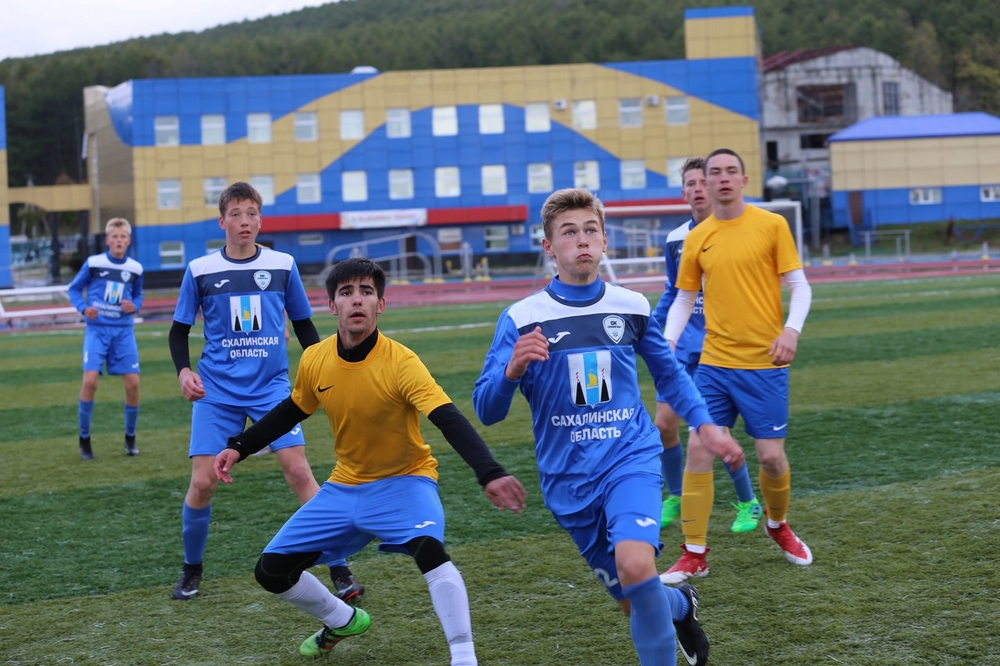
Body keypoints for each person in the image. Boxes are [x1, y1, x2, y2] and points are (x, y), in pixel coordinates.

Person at [472, 187, 744, 666]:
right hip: (568, 482)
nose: (581, 240)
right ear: (549, 247)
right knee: (636, 601)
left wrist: (706, 425)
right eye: (568, 232)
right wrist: (511, 370)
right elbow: (487, 410)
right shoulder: (522, 318)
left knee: (636, 566)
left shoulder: (631, 306)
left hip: (629, 459)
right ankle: (680, 606)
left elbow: (669, 375)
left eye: (590, 230)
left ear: (603, 241)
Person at [214, 257, 527, 663]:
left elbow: (447, 418)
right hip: (344, 488)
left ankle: (464, 656)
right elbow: (293, 409)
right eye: (346, 293)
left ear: (381, 304)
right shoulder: (316, 358)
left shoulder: (402, 362)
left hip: (405, 482)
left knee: (430, 552)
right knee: (270, 570)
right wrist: (240, 445)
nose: (357, 300)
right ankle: (341, 619)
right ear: (332, 306)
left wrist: (490, 471)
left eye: (366, 292)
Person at [168, 181, 362, 603]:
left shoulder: (282, 264)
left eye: (252, 213)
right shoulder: (200, 270)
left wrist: (324, 366)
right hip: (217, 391)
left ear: (260, 220)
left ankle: (340, 567)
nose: (245, 221)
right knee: (202, 482)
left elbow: (303, 324)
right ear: (222, 221)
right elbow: (178, 331)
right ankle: (191, 568)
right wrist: (184, 372)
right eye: (236, 214)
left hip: (271, 388)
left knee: (299, 473)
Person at [661, 148, 814, 584]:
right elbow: (684, 298)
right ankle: (694, 553)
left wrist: (791, 331)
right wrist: (668, 341)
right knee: (698, 446)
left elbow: (800, 285)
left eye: (732, 171)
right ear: (706, 183)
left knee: (771, 457)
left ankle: (777, 524)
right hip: (714, 363)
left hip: (764, 364)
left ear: (744, 180)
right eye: (715, 172)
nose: (723, 178)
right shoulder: (697, 238)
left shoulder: (772, 225)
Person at [651, 158, 760, 532]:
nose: (698, 188)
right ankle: (676, 495)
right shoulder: (675, 240)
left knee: (712, 432)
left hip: (719, 349)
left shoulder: (734, 233)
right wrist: (653, 329)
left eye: (703, 181)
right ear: (683, 192)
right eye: (691, 183)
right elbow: (674, 292)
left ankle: (748, 501)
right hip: (681, 348)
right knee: (664, 424)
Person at [68, 217, 144, 460]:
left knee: (133, 384)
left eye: (123, 237)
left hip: (123, 332)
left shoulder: (135, 268)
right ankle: (84, 439)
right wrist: (83, 308)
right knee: (90, 381)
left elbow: (139, 295)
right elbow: (74, 289)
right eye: (115, 237)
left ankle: (130, 438)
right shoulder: (94, 263)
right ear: (107, 240)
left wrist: (135, 305)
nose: (119, 241)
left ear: (128, 241)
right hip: (97, 331)